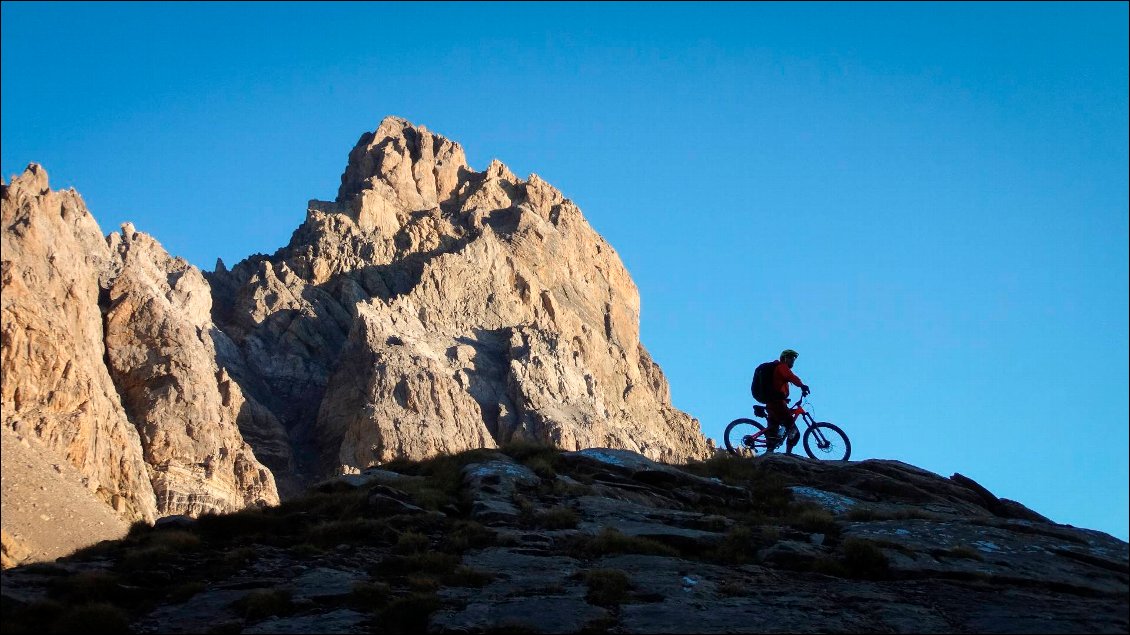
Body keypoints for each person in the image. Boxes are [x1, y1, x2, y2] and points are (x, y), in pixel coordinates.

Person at [764, 349, 810, 454]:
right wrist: (802, 386)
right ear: (784, 358)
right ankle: (788, 454)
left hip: (771, 403)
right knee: (794, 430)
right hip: (777, 403)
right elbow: (791, 377)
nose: (792, 361)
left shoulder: (777, 369)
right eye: (791, 358)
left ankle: (769, 452)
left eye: (793, 359)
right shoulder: (782, 367)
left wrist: (784, 398)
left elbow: (777, 387)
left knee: (773, 431)